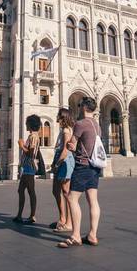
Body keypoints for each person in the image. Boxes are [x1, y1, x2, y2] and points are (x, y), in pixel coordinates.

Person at [58, 97, 101, 248]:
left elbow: (72, 146)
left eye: (80, 105)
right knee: (93, 200)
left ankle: (76, 236)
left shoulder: (80, 124)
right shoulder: (97, 124)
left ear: (83, 107)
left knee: (71, 198)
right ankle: (93, 235)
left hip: (82, 166)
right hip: (95, 167)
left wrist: (69, 145)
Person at [49, 108, 75, 232]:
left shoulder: (66, 130)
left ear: (63, 117)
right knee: (56, 190)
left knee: (66, 192)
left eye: (59, 116)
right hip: (60, 160)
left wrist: (57, 164)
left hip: (64, 161)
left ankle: (68, 222)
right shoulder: (63, 130)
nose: (57, 118)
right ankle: (62, 218)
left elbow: (65, 150)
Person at [13, 114, 41, 224]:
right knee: (22, 190)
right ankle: (20, 215)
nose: (25, 125)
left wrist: (21, 146)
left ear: (30, 124)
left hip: (30, 167)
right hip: (27, 167)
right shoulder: (32, 136)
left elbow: (31, 153)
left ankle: (32, 216)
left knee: (30, 191)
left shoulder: (33, 137)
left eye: (26, 123)